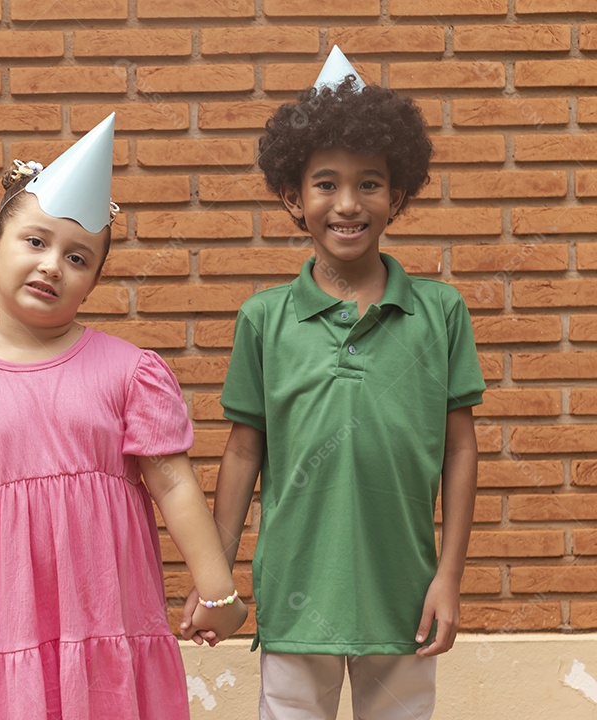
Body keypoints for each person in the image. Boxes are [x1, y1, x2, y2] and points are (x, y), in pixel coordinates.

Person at [0, 114, 248, 719]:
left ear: (93, 281)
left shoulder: (129, 373)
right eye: (35, 242)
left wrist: (219, 588)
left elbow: (174, 482)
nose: (53, 264)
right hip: (10, 627)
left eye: (77, 256)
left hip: (112, 615)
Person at [182, 47, 486, 719]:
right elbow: (242, 451)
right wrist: (215, 579)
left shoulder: (441, 313)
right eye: (326, 183)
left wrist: (449, 577)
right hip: (296, 589)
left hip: (403, 595)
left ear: (397, 194)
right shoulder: (264, 319)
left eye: (369, 183)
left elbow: (461, 449)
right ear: (293, 196)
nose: (347, 204)